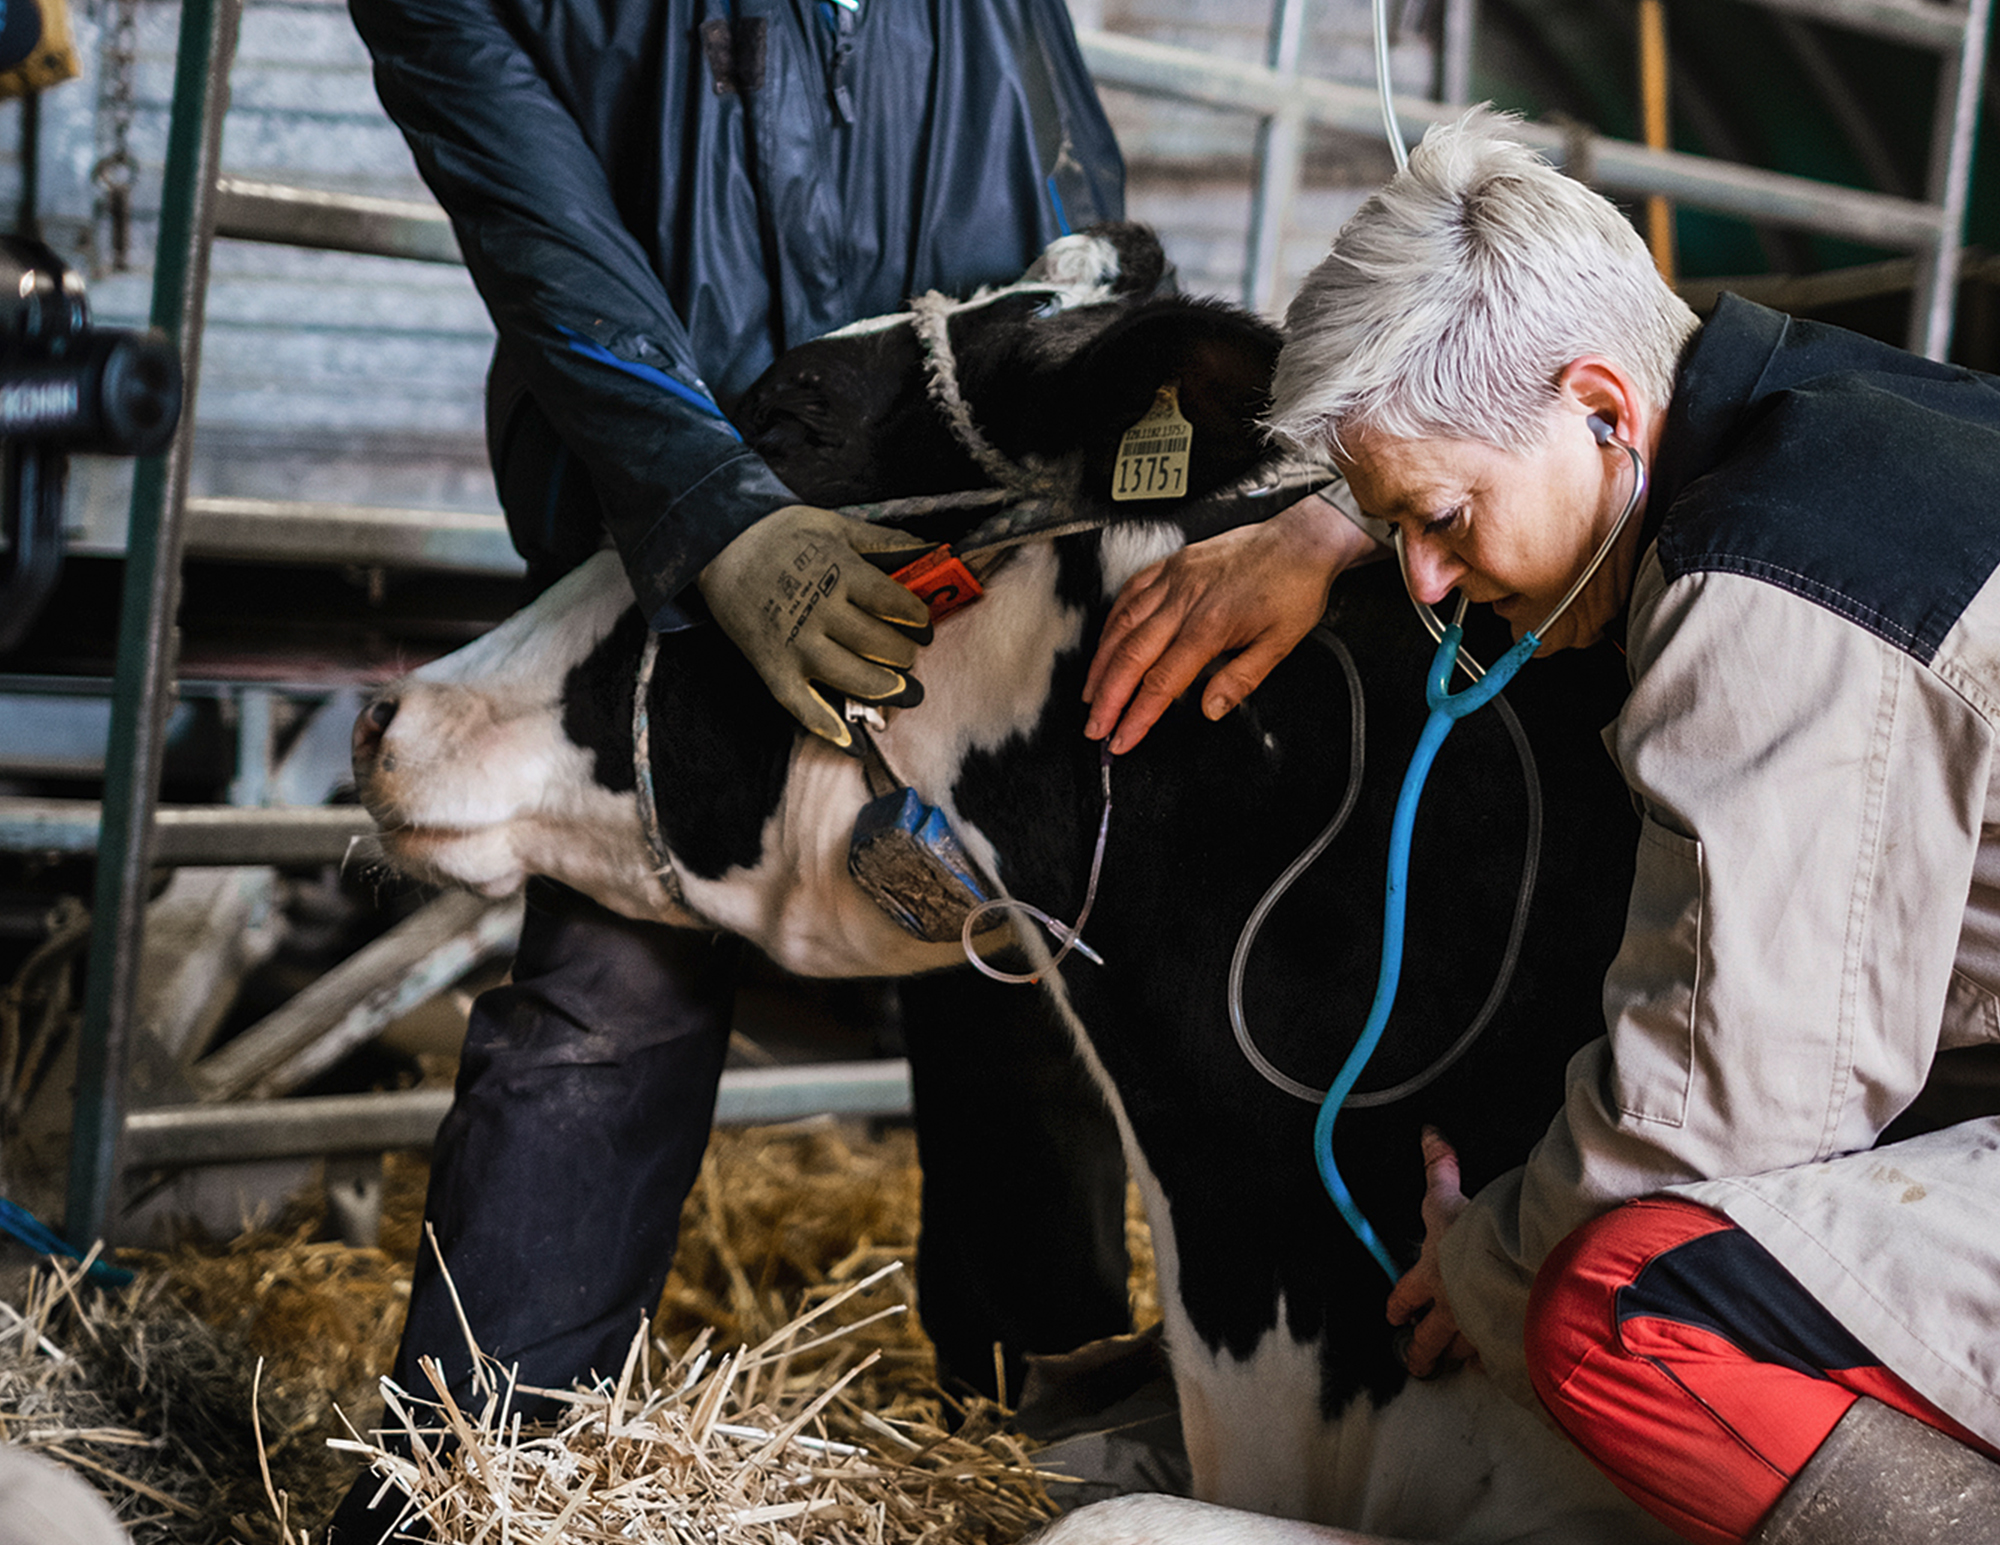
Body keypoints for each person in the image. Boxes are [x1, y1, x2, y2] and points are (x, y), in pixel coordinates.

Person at [1086, 112, 2000, 1544]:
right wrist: (1337, 525)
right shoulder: (1831, 419)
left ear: (1602, 407)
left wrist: (1489, 1267)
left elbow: (1720, 1118)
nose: (1426, 582)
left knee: (1624, 1309)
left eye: (1444, 519)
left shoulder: (1762, 590)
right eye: (1395, 531)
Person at [328, 3, 1142, 1536]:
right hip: (665, 556)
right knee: (614, 982)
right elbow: (543, 228)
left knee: (1007, 957)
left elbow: (1056, 152)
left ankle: (1047, 1460)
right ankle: (463, 1491)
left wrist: (1059, 417)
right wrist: (718, 509)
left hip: (955, 529)